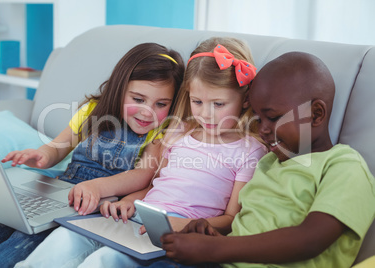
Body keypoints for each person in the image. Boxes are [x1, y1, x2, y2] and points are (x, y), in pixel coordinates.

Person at [15, 37, 268, 268]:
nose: (205, 114)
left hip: (179, 230)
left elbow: (232, 218)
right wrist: (128, 202)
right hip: (141, 215)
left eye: (219, 104)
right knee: (67, 238)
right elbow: (156, 182)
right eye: (197, 101)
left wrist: (185, 225)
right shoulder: (178, 131)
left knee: (105, 260)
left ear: (245, 100)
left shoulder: (249, 150)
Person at [154, 51, 375, 268]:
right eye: (259, 119)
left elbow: (311, 239)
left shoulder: (344, 165)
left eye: (274, 117)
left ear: (316, 114)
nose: (264, 130)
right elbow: (246, 228)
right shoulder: (268, 163)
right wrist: (210, 236)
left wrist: (212, 248)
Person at [0, 42, 185, 268]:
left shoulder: (160, 131)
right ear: (120, 88)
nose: (147, 111)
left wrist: (98, 187)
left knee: (20, 244)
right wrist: (41, 155)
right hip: (64, 192)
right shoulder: (93, 110)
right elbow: (58, 147)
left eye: (160, 104)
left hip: (96, 206)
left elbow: (144, 174)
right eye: (138, 99)